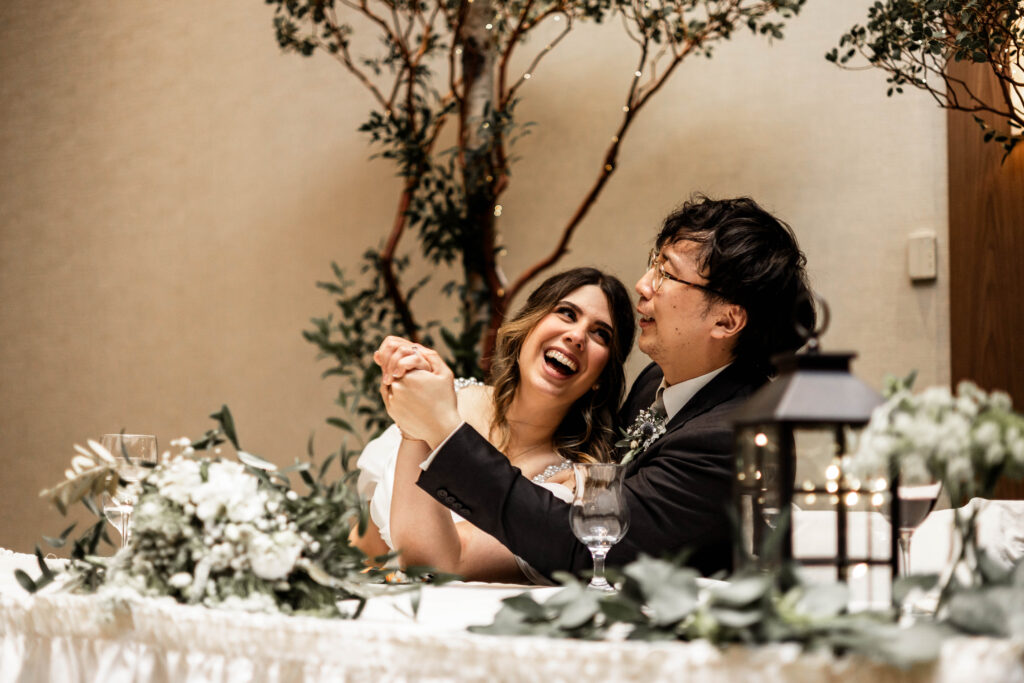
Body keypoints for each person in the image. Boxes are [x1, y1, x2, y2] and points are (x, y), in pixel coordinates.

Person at [379, 194, 814, 580]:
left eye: (667, 275)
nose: (644, 285)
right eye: (653, 264)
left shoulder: (734, 436)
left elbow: (586, 546)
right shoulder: (655, 384)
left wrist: (445, 431)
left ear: (726, 321)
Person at [352, 267, 636, 582]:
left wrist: (421, 427)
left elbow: (439, 563)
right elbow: (362, 545)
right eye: (567, 313)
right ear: (529, 326)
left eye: (600, 334)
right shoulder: (451, 398)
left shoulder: (574, 485)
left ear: (601, 378)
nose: (577, 336)